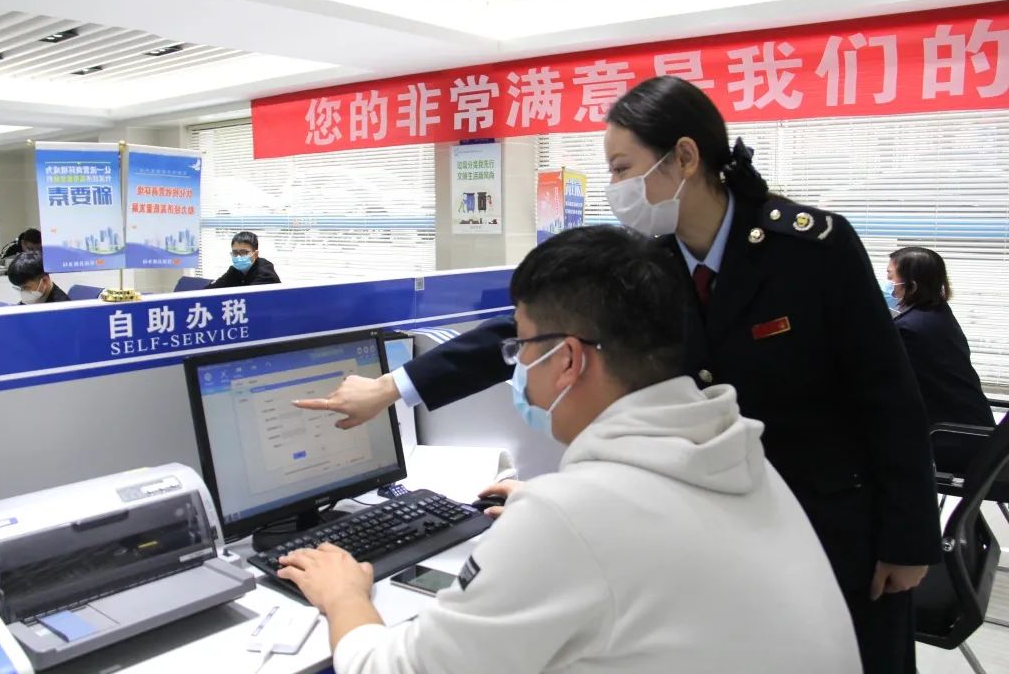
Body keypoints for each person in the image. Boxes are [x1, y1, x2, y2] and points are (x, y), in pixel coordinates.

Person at [295, 76, 942, 674]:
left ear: (683, 158)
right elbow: (534, 330)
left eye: (622, 168)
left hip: (829, 515)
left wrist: (909, 538)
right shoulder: (654, 261)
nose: (614, 188)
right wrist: (395, 387)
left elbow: (889, 394)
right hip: (703, 525)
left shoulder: (808, 249)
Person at [278, 226, 861, 674]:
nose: (517, 366)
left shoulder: (572, 517)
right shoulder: (734, 451)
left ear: (568, 360)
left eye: (521, 347)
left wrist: (345, 596)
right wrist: (550, 510)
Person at [886, 247, 993, 428]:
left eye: (891, 276)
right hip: (973, 424)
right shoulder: (937, 313)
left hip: (950, 433)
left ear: (912, 286)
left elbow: (885, 376)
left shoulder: (910, 328)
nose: (888, 282)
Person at [206, 231, 280, 288]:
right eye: (235, 252)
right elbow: (211, 290)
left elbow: (249, 298)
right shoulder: (235, 269)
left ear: (256, 254)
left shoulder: (265, 274)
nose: (238, 257)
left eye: (244, 252)